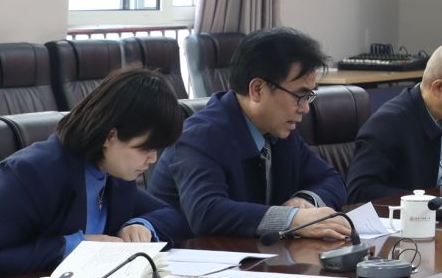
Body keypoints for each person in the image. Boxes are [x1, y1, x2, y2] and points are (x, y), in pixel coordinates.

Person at [0, 65, 188, 278]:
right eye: (145, 148)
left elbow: (175, 214)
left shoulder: (113, 175)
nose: (152, 159)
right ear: (110, 136)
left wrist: (142, 225)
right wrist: (74, 246)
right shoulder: (29, 174)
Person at [149, 26, 350, 240]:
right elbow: (207, 211)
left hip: (255, 254)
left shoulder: (280, 132)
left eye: (309, 96)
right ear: (257, 90)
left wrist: (305, 201)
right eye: (299, 95)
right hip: (183, 256)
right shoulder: (200, 136)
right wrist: (293, 220)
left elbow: (331, 180)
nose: (305, 108)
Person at [345, 44, 442, 202]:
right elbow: (359, 191)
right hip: (407, 215)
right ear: (438, 87)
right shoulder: (387, 124)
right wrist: (418, 200)